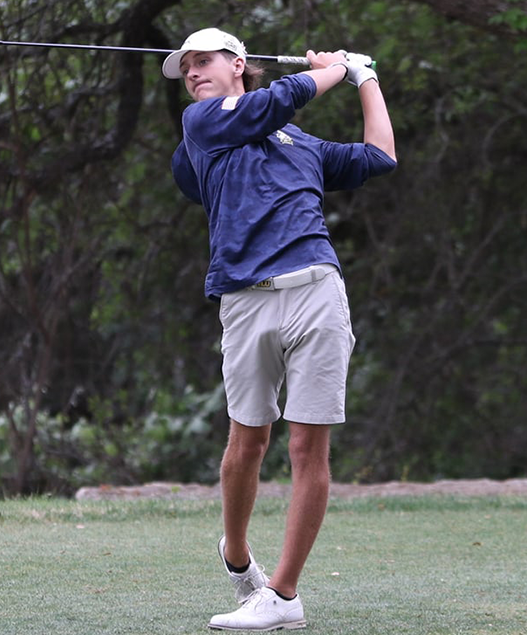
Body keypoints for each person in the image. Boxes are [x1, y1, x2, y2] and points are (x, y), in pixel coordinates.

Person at [163, 27, 396, 631]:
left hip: (317, 289)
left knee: (306, 446)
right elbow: (274, 100)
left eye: (203, 61)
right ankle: (238, 558)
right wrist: (336, 70)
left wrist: (366, 78)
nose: (192, 74)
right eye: (185, 68)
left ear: (238, 63)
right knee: (247, 445)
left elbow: (378, 157)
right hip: (245, 300)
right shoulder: (203, 127)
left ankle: (284, 595)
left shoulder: (301, 142)